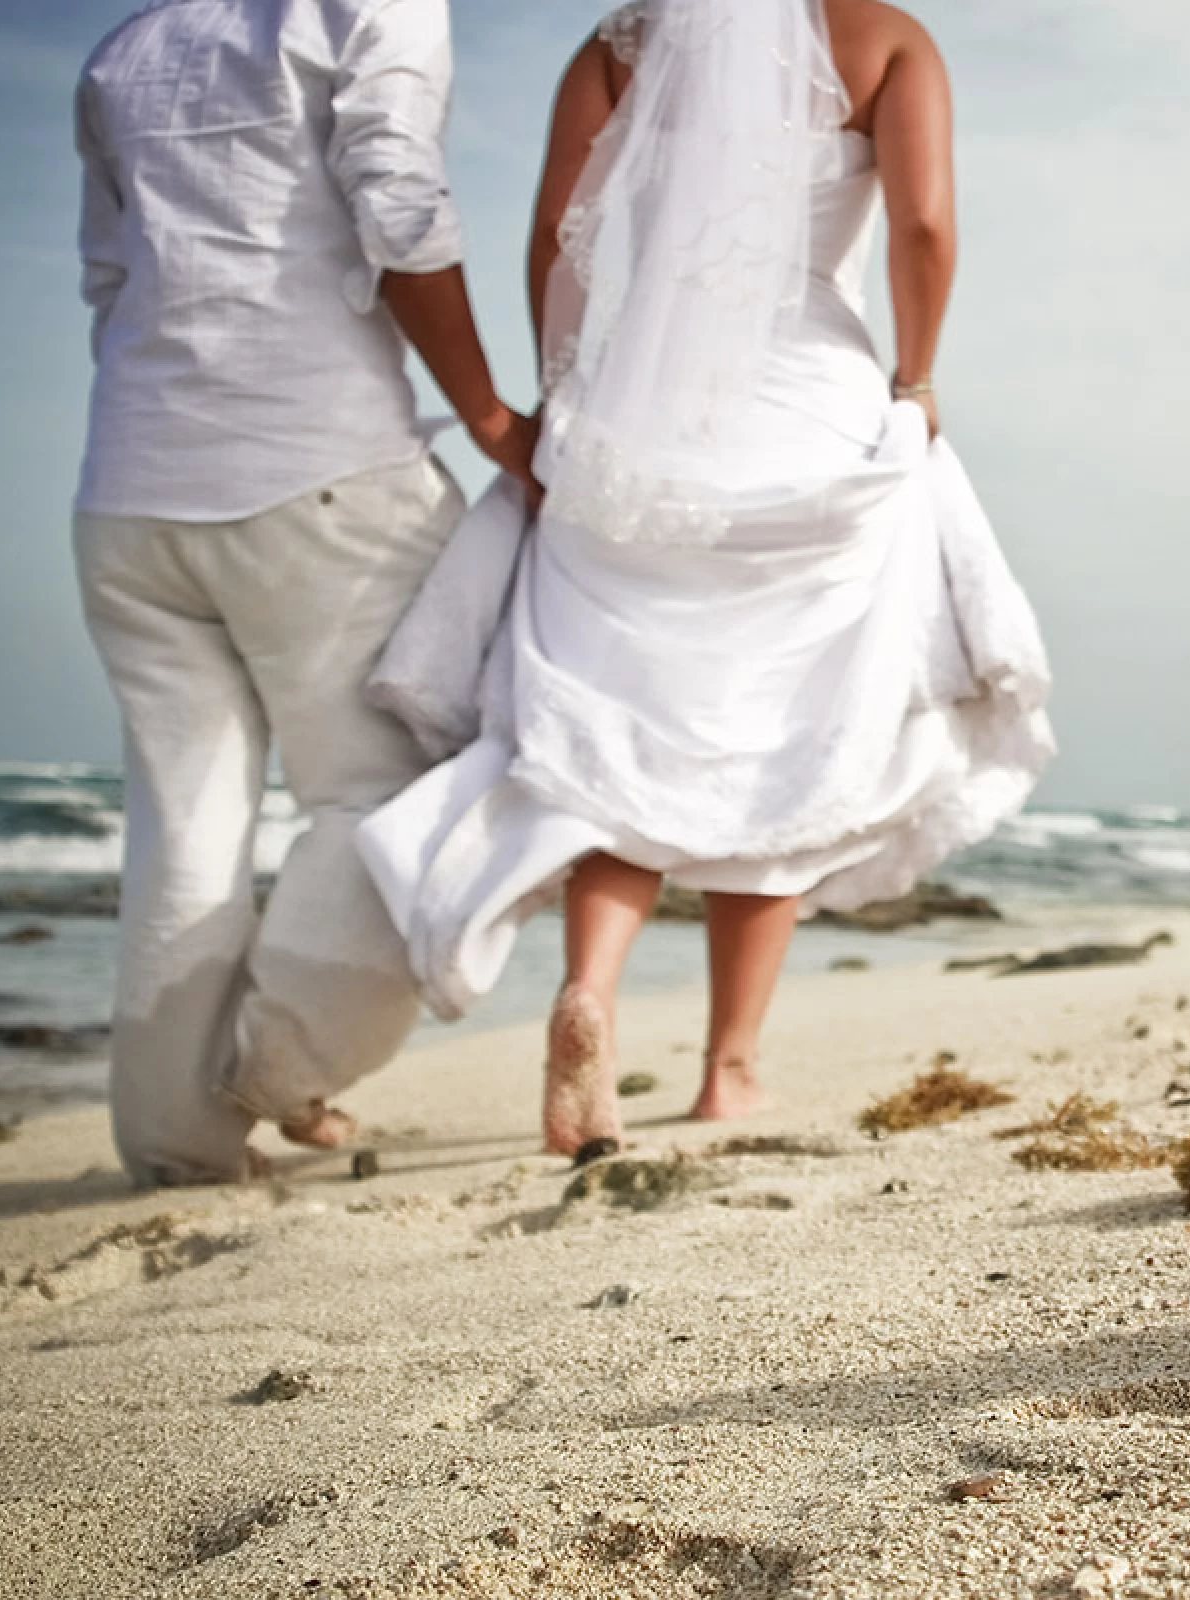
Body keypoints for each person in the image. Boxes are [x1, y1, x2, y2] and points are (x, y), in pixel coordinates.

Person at [359, 0, 1054, 1161]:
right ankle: (728, 1072)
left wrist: (566, 398)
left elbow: (558, 235)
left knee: (627, 732)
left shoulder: (617, 46)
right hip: (807, 415)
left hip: (638, 418)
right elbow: (924, 226)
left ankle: (589, 988)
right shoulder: (887, 39)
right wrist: (917, 377)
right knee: (784, 737)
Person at [71, 0, 538, 1186]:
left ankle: (177, 1145)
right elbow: (400, 200)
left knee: (184, 831)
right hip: (316, 470)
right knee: (407, 787)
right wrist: (490, 416)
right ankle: (275, 1072)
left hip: (128, 489)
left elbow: (111, 279)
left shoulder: (123, 50)